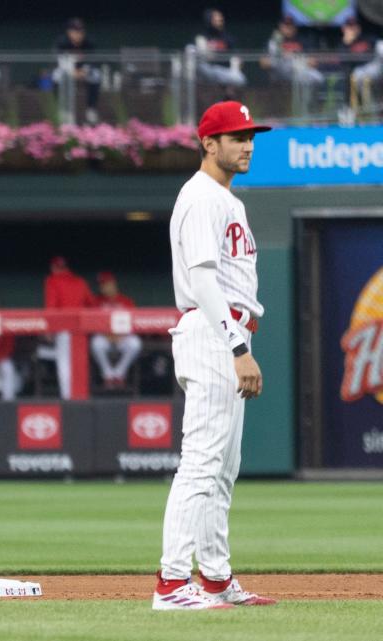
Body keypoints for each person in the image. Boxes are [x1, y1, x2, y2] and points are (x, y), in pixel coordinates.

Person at [154, 101, 276, 610]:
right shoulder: (201, 195)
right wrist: (237, 346)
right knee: (201, 464)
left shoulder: (226, 199)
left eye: (250, 136)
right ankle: (172, 583)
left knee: (223, 469)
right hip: (213, 332)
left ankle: (216, 578)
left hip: (222, 332)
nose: (247, 144)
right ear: (209, 143)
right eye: (236, 136)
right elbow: (203, 280)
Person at [42, 256, 95, 399]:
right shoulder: (80, 281)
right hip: (81, 329)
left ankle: (68, 399)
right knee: (78, 363)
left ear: (53, 268)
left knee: (64, 364)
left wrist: (49, 329)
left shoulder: (52, 280)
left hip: (64, 328)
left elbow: (51, 306)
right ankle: (81, 397)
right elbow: (91, 304)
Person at [90, 272, 142, 390]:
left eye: (105, 284)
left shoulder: (126, 301)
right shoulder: (96, 302)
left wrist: (121, 335)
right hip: (105, 338)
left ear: (113, 284)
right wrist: (107, 334)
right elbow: (92, 323)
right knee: (96, 343)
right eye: (101, 285)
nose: (102, 287)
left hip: (123, 338)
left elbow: (133, 323)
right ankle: (108, 374)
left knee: (135, 343)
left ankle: (119, 373)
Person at [53, 18, 102, 124]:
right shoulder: (62, 41)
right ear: (69, 32)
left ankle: (91, 109)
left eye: (80, 31)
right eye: (75, 31)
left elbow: (93, 59)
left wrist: (84, 71)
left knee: (96, 75)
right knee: (55, 76)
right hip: (67, 69)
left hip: (84, 70)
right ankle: (63, 110)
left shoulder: (89, 42)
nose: (78, 34)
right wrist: (71, 71)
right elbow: (59, 60)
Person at [193, 9, 246, 99]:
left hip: (223, 71)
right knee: (191, 49)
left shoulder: (228, 38)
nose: (220, 21)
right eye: (216, 19)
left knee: (240, 78)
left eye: (220, 19)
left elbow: (237, 58)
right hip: (207, 69)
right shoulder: (202, 37)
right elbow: (203, 58)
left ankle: (226, 96)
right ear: (209, 20)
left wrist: (234, 69)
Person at [261, 15, 323, 88]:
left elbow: (314, 62)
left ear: (295, 27)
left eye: (291, 25)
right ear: (280, 26)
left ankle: (307, 98)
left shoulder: (303, 40)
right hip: (280, 71)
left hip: (299, 69)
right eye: (285, 25)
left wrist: (296, 59)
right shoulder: (274, 41)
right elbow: (263, 63)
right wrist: (283, 56)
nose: (288, 28)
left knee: (318, 77)